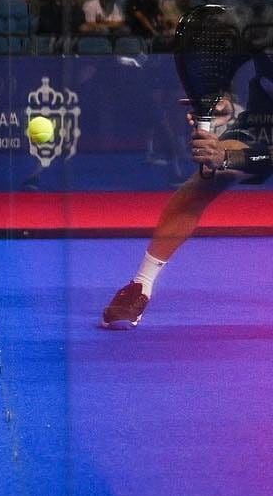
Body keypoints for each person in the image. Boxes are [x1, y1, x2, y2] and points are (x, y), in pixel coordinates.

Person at [101, 50, 273, 329]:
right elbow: (231, 54)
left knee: (222, 162)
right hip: (262, 123)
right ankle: (141, 285)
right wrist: (224, 97)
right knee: (207, 180)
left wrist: (227, 157)